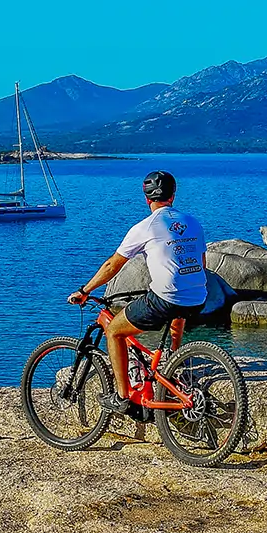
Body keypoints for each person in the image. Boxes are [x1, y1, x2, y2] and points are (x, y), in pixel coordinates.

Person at [67, 170, 206, 417]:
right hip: (198, 296)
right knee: (176, 302)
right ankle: (176, 358)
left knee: (114, 331)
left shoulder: (146, 227)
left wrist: (85, 290)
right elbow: (201, 263)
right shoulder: (193, 222)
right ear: (173, 195)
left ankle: (122, 398)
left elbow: (113, 265)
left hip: (166, 298)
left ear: (146, 198)